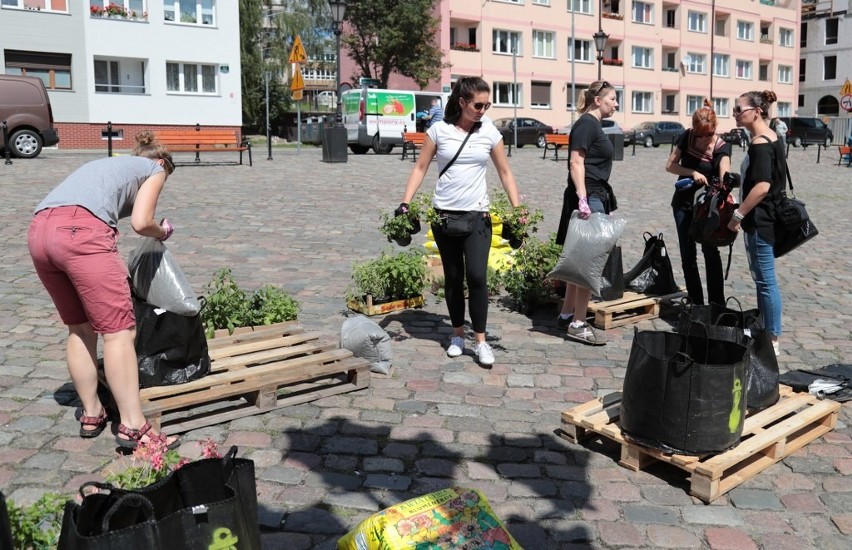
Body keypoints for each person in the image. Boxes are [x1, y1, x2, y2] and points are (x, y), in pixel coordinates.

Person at [27, 131, 180, 449]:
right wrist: (161, 230)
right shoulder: (154, 169)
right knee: (119, 332)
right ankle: (133, 426)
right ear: (162, 163)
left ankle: (92, 412)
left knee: (79, 328)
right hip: (80, 233)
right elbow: (141, 222)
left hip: (39, 231)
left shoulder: (110, 164)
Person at [399, 77, 521, 366]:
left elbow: (505, 172)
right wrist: (405, 202)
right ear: (462, 102)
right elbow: (420, 167)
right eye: (478, 104)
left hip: (478, 215)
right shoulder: (439, 131)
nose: (483, 110)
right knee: (453, 279)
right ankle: (456, 334)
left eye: (487, 104)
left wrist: (518, 209)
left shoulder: (489, 131)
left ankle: (480, 341)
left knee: (478, 277)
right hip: (444, 216)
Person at [554, 80, 619, 346]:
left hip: (594, 195)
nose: (615, 104)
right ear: (597, 100)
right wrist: (583, 200)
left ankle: (567, 313)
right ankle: (579, 323)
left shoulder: (592, 125)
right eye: (613, 99)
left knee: (581, 258)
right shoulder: (585, 124)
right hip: (588, 197)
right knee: (588, 263)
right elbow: (575, 162)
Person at [727, 90, 785, 356]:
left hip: (760, 220)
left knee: (766, 280)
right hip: (765, 219)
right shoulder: (773, 138)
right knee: (762, 278)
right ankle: (764, 328)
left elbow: (762, 186)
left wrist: (738, 214)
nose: (736, 114)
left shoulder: (761, 143)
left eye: (739, 109)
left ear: (756, 112)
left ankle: (772, 338)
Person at [665, 99, 731, 306]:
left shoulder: (721, 146)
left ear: (714, 129)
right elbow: (670, 165)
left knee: (710, 252)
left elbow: (725, 170)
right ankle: (695, 303)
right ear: (694, 129)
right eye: (700, 135)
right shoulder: (687, 137)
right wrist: (692, 172)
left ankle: (717, 304)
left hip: (707, 208)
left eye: (708, 134)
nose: (704, 139)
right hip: (684, 204)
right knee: (687, 255)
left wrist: (724, 182)